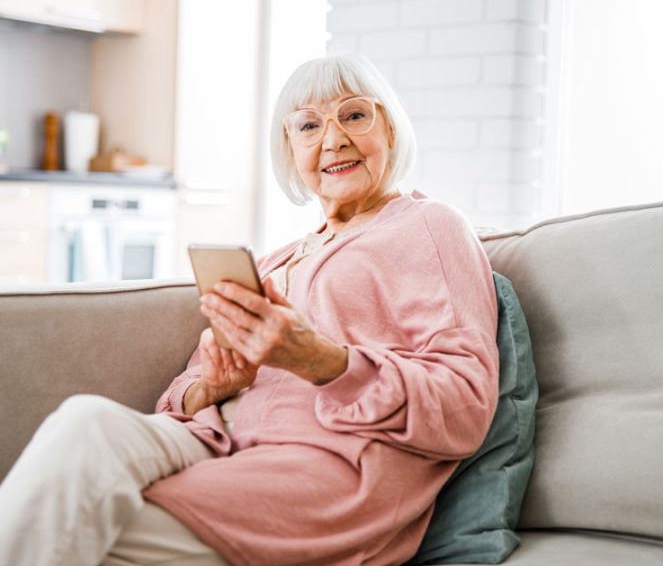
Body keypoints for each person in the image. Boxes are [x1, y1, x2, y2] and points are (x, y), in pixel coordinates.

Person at [0, 54, 499, 565]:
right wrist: (212, 388)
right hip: (219, 443)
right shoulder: (274, 260)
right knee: (85, 424)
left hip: (327, 471)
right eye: (308, 125)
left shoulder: (429, 227)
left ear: (389, 127)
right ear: (289, 148)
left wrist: (323, 362)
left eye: (353, 115)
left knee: (84, 521)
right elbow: (184, 393)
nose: (333, 140)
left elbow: (464, 407)